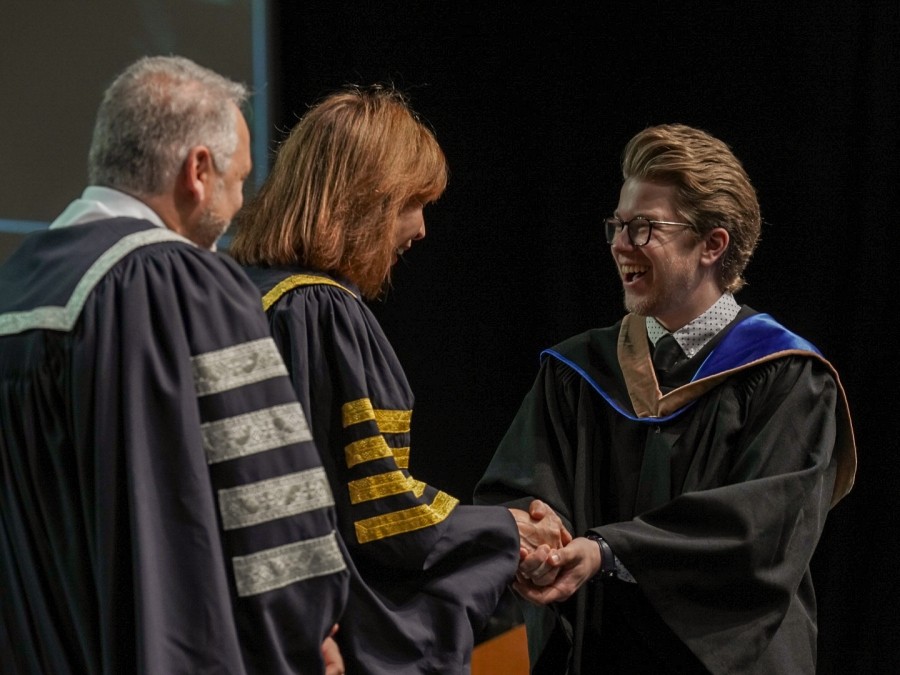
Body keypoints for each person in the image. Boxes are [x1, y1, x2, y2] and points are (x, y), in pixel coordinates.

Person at [0, 55, 350, 674]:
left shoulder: (15, 292)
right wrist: (305, 630)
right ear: (197, 170)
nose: (241, 201)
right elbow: (272, 519)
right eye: (240, 179)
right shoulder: (176, 284)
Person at [474, 123, 858, 674]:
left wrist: (608, 551)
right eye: (617, 224)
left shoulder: (788, 377)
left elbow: (759, 533)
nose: (619, 244)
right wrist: (537, 541)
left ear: (712, 244)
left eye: (644, 227)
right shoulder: (578, 372)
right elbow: (517, 493)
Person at [228, 84, 568, 674]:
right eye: (414, 203)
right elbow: (377, 516)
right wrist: (502, 530)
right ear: (370, 200)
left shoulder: (241, 296)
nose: (420, 230)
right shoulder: (321, 310)